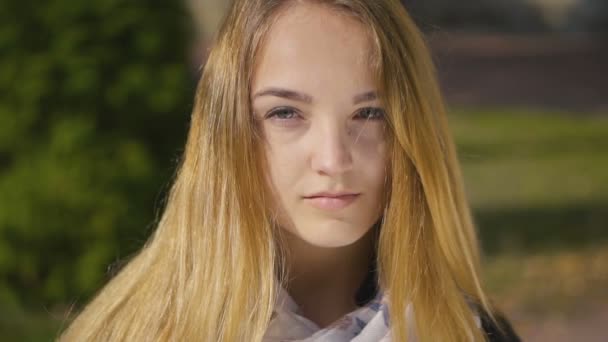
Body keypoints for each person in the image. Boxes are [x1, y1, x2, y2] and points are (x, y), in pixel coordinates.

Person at [60, 0, 520, 341]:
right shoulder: (138, 331)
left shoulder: (471, 332)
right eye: (285, 113)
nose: (333, 159)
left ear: (411, 133)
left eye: (369, 114)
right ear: (227, 132)